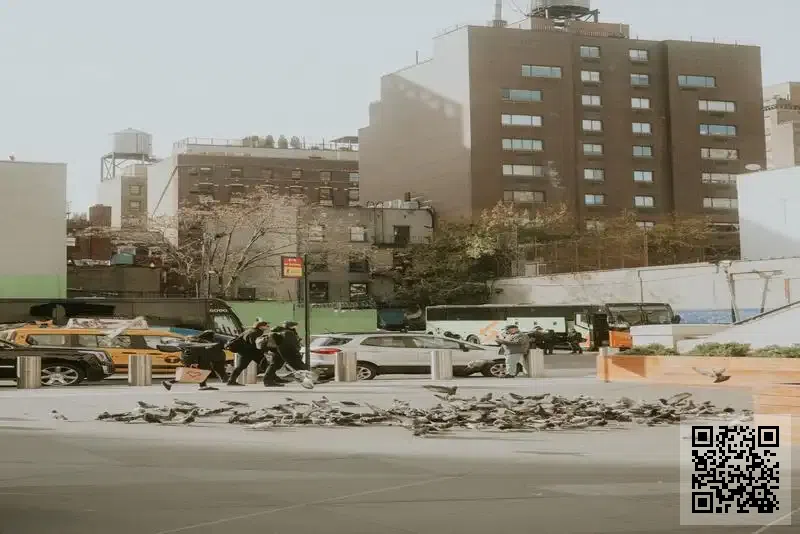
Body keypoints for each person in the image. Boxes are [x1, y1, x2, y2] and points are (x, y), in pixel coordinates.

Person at [162, 330, 228, 391]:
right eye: (212, 336)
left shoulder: (197, 341)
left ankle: (203, 385)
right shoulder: (199, 342)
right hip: (197, 361)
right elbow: (196, 352)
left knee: (198, 373)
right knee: (190, 374)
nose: (213, 337)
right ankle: (169, 382)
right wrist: (194, 362)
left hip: (196, 360)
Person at [226, 321, 271, 386]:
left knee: (241, 367)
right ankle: (270, 380)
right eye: (266, 326)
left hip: (245, 351)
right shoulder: (255, 332)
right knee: (265, 364)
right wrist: (264, 349)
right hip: (250, 351)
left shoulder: (250, 330)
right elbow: (254, 343)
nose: (268, 327)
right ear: (260, 327)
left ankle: (231, 381)